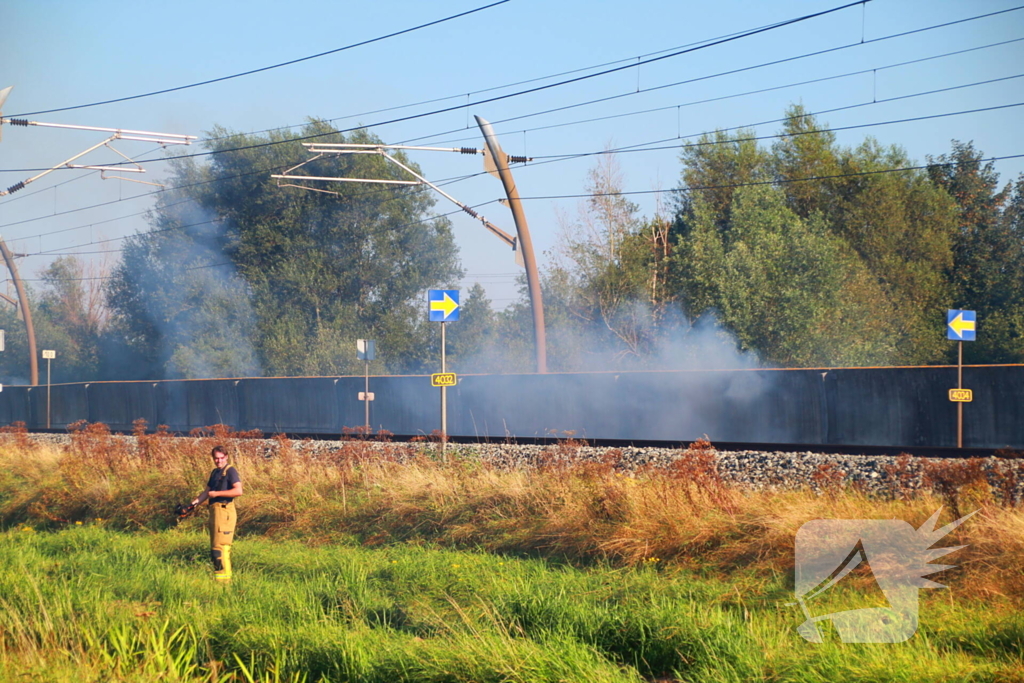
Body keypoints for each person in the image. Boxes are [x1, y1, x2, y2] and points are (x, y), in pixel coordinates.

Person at [190, 445, 242, 582]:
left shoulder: (230, 471)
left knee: (221, 549)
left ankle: (225, 583)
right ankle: (219, 580)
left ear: (226, 457)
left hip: (225, 511)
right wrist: (192, 505)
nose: (218, 461)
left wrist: (217, 493)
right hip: (214, 511)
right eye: (216, 458)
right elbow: (206, 492)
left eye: (221, 458)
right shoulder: (215, 472)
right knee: (214, 548)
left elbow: (238, 491)